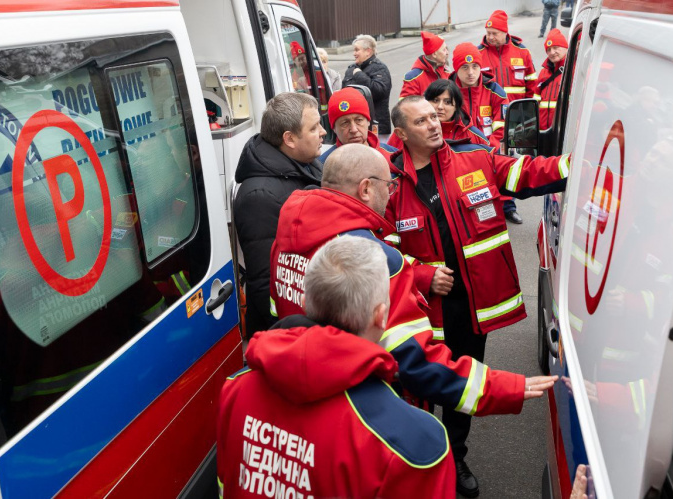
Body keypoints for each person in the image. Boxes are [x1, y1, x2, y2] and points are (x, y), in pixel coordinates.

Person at [271, 143, 557, 498]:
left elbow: (281, 313)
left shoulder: (290, 234)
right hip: (363, 405)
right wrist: (505, 387)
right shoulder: (373, 259)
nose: (390, 193)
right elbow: (416, 363)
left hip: (303, 390)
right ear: (365, 189)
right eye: (388, 186)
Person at [387, 96, 569, 497]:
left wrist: (582, 163)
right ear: (401, 134)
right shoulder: (387, 181)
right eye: (422, 121)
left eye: (435, 117)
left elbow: (529, 172)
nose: (434, 125)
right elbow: (377, 250)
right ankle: (418, 464)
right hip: (419, 312)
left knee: (461, 386)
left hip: (470, 307)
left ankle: (455, 456)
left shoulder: (476, 160)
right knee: (417, 391)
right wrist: (421, 276)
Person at [218, 236, 456, 498]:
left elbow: (227, 483)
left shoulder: (235, 387)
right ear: (381, 316)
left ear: (307, 301)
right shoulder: (416, 444)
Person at [233, 92, 325, 338]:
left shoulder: (306, 163)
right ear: (290, 139)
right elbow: (266, 282)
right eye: (314, 127)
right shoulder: (259, 196)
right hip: (287, 333)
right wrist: (298, 336)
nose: (323, 132)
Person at [477, 9, 539, 224]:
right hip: (488, 120)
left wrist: (530, 114)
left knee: (511, 163)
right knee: (487, 162)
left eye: (494, 32)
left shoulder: (522, 52)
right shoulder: (479, 54)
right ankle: (490, 207)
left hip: (516, 120)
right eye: (488, 32)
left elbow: (532, 85)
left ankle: (509, 206)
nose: (490, 36)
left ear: (505, 32)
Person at [387, 78, 491, 150]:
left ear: (456, 107)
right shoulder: (409, 131)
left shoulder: (473, 135)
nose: (440, 107)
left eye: (447, 102)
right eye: (435, 100)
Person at [448, 42, 507, 150]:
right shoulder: (447, 93)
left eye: (475, 66)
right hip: (458, 155)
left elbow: (503, 128)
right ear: (456, 69)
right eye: (465, 67)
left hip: (490, 153)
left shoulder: (495, 91)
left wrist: (489, 151)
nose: (470, 72)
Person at [319, 87, 397, 163]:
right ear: (334, 128)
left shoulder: (394, 157)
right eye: (345, 123)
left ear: (368, 121)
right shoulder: (324, 166)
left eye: (359, 120)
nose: (354, 129)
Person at [342, 34, 393, 135]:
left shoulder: (380, 68)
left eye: (357, 50)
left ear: (368, 51)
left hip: (376, 127)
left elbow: (379, 92)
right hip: (353, 127)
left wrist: (359, 75)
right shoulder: (351, 69)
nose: (354, 53)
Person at [399, 31, 450, 99]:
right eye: (444, 50)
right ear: (434, 54)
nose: (447, 53)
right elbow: (406, 106)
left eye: (447, 49)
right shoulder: (414, 78)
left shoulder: (447, 73)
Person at [538, 29, 568, 130]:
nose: (552, 52)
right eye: (549, 50)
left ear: (565, 48)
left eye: (556, 48)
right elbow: (536, 100)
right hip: (543, 132)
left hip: (563, 132)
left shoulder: (572, 70)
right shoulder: (543, 73)